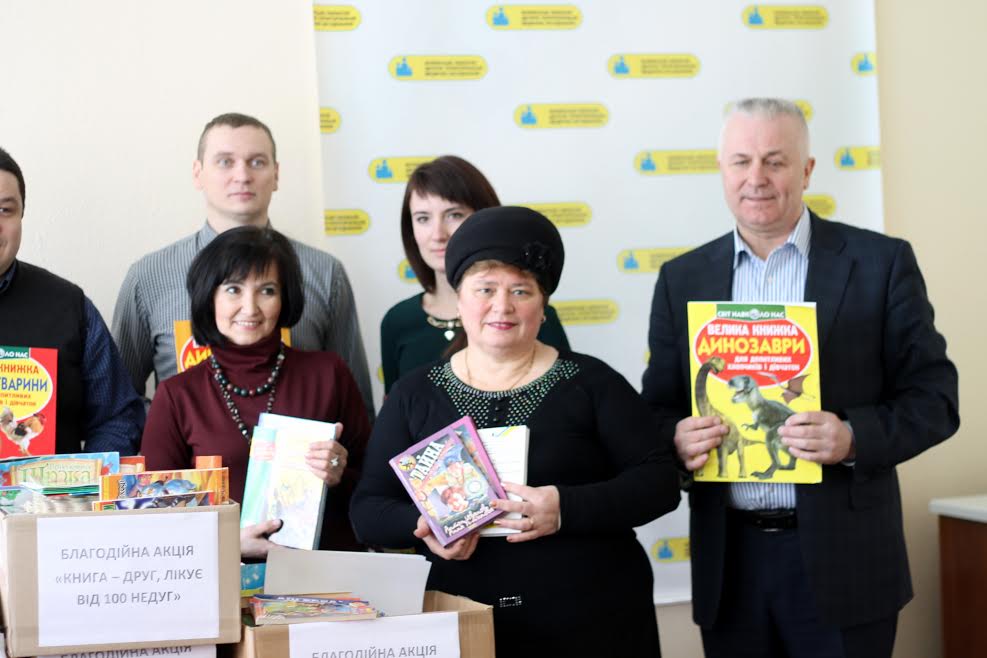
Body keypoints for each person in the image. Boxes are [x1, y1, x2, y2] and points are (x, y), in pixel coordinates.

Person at [641, 98, 959, 658]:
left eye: (775, 161)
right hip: (730, 566)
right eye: (741, 161)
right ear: (721, 170)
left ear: (807, 170)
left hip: (848, 563)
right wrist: (676, 441)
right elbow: (657, 410)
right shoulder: (681, 278)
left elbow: (935, 399)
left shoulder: (880, 263)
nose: (756, 178)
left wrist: (853, 437)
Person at [352, 206, 680, 656]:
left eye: (521, 291)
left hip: (593, 619)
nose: (502, 306)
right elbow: (368, 508)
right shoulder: (416, 394)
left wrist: (564, 508)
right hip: (463, 624)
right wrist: (425, 525)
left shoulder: (592, 383)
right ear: (460, 299)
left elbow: (659, 482)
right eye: (485, 289)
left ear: (543, 307)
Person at [112, 112, 374, 417]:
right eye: (225, 162)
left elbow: (355, 405)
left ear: (276, 174)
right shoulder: (149, 277)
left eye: (257, 162)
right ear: (198, 173)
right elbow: (119, 405)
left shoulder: (325, 273)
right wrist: (172, 427)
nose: (242, 176)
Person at [140, 226, 370, 556]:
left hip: (321, 573)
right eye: (233, 289)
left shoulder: (328, 374)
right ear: (209, 296)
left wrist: (339, 473)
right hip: (219, 574)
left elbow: (375, 490)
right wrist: (229, 545)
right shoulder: (177, 395)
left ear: (285, 298)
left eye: (267, 291)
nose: (250, 308)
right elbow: (154, 518)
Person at [380, 155, 569, 394]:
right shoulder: (398, 321)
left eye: (454, 215)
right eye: (423, 218)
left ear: (487, 217)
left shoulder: (529, 317)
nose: (438, 234)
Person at [0, 146, 144, 455]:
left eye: (4, 210)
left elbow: (117, 418)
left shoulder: (69, 306)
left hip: (47, 486)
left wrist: (86, 477)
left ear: (22, 215)